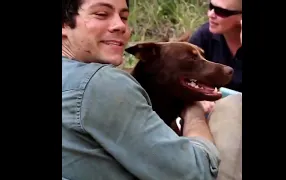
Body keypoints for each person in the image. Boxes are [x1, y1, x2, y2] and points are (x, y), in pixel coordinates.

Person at [62, 0, 240, 179]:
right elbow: (197, 172)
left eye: (124, 17)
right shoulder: (101, 84)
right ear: (64, 24)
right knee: (234, 105)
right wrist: (194, 113)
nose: (120, 26)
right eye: (101, 14)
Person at [189, 0, 242, 93]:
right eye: (211, 7)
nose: (211, 14)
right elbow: (185, 77)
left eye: (221, 11)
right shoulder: (203, 37)